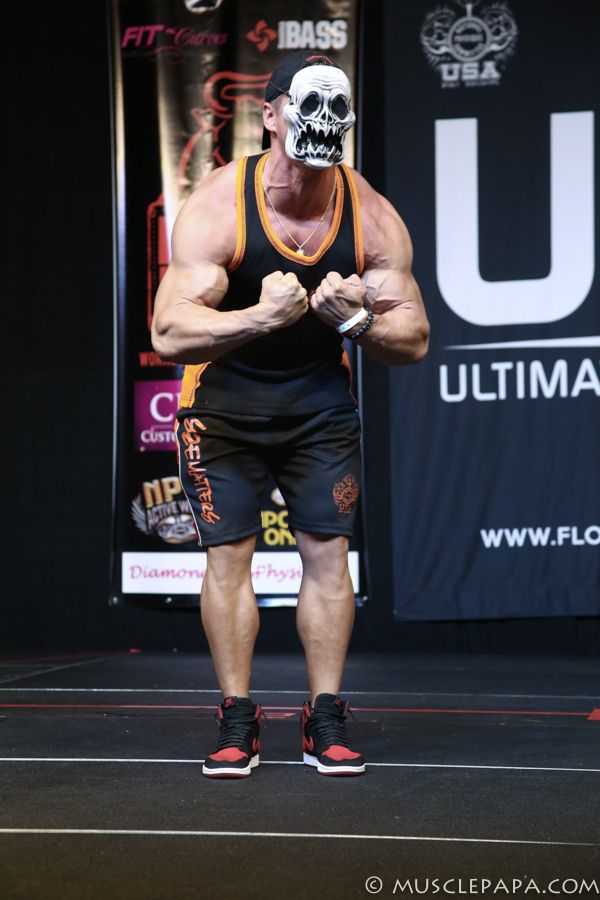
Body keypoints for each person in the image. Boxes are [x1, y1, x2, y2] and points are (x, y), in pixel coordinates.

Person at [151, 51, 429, 778]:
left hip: (317, 405)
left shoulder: (370, 215)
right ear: (270, 116)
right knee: (228, 557)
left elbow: (415, 339)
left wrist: (357, 324)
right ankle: (237, 715)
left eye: (337, 109)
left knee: (328, 555)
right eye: (309, 107)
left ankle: (323, 715)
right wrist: (259, 317)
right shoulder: (220, 205)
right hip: (223, 404)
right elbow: (168, 332)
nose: (324, 122)